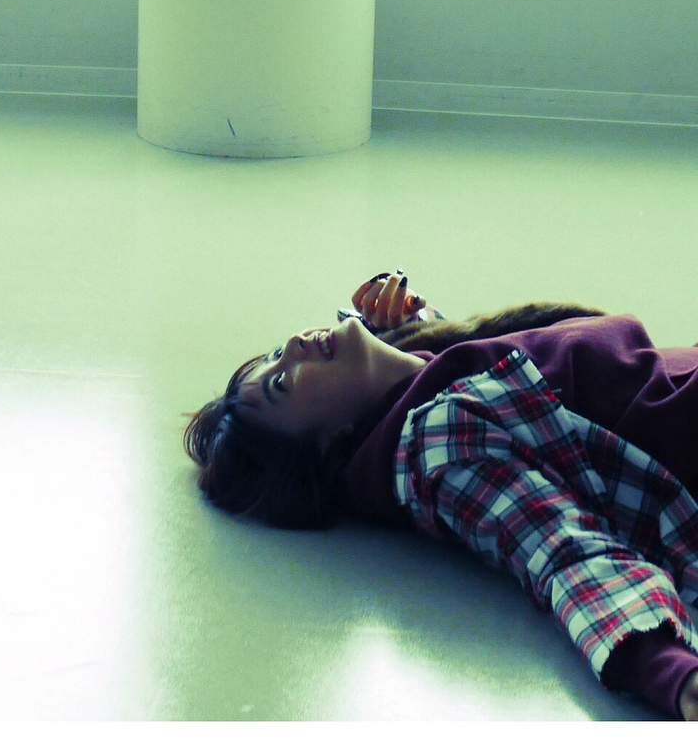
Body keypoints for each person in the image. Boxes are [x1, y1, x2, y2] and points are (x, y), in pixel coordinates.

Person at [183, 270, 698, 721]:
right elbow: (562, 550)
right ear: (331, 443)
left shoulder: (421, 376)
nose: (294, 345)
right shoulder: (440, 444)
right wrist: (671, 673)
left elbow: (506, 380)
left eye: (274, 356)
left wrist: (415, 322)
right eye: (283, 384)